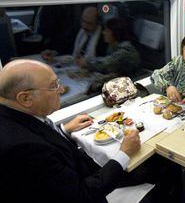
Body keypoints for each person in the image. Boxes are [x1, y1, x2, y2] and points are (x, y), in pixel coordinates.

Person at [0, 59, 142, 203]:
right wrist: (125, 153)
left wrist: (64, 131)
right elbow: (82, 194)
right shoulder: (24, 149)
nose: (61, 90)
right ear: (25, 98)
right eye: (54, 86)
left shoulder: (13, 116)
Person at [75, 17, 141, 78]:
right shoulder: (113, 46)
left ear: (116, 33)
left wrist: (86, 62)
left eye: (107, 31)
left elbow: (106, 64)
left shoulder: (126, 51)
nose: (103, 33)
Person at [41, 6, 107, 61]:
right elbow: (66, 46)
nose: (84, 26)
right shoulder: (78, 30)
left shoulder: (104, 37)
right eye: (83, 21)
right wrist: (53, 53)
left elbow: (103, 61)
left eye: (89, 23)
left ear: (98, 23)